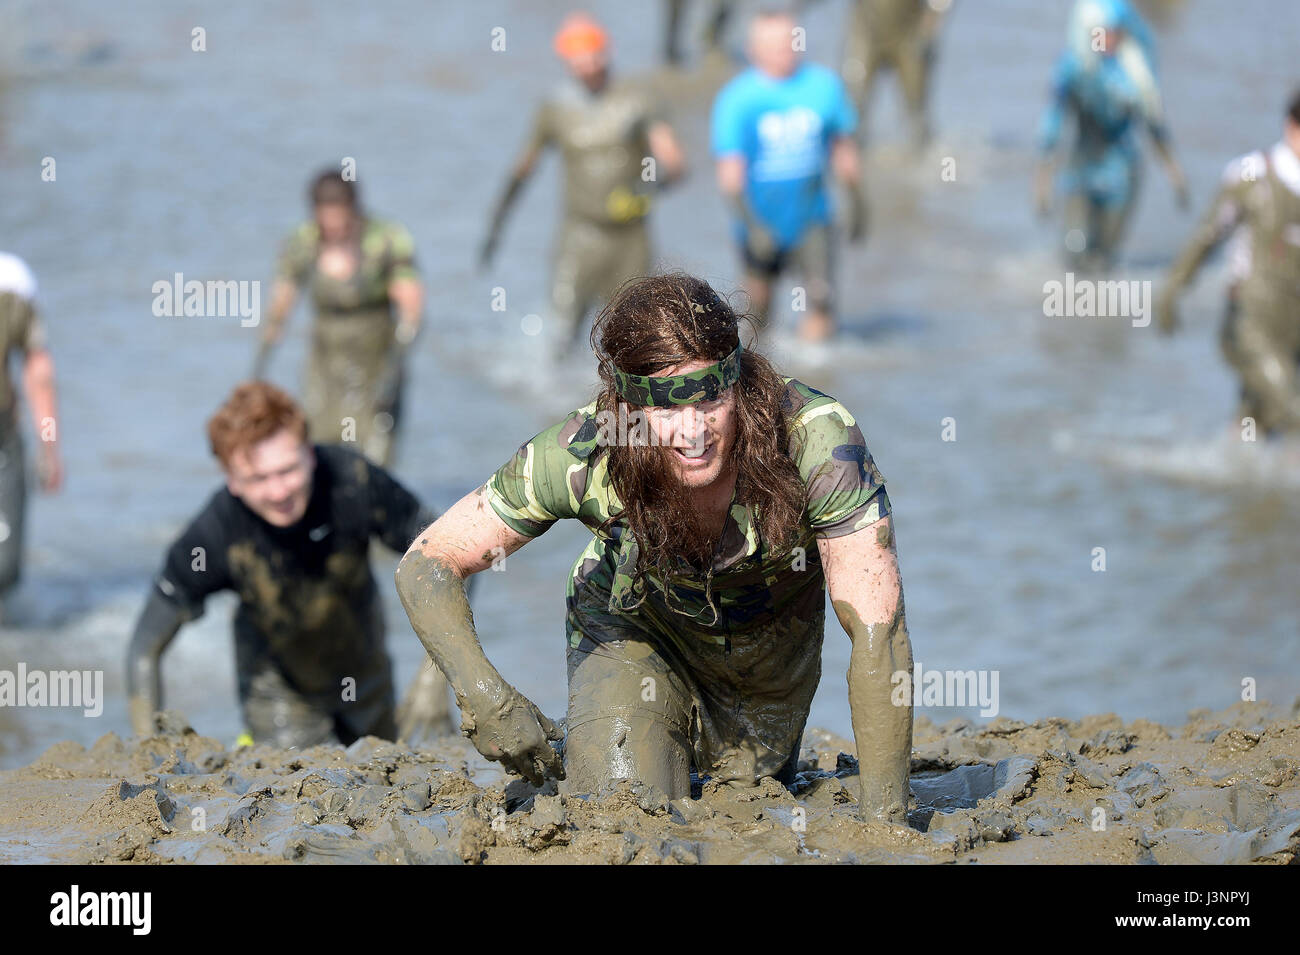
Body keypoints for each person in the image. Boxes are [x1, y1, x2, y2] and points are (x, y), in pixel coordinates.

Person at [395, 274, 912, 823]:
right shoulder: (586, 453)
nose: (693, 432)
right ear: (626, 406)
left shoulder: (818, 442)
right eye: (666, 407)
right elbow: (428, 563)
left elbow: (879, 634)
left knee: (744, 812)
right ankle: (613, 735)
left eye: (709, 396)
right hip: (635, 626)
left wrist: (888, 824)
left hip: (768, 650)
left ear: (737, 382)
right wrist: (486, 698)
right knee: (628, 813)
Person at [126, 381, 447, 747]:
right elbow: (143, 650)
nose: (279, 493)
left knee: (386, 781)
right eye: (258, 478)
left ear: (309, 453)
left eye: (288, 470)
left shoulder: (352, 481)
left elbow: (451, 551)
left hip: (366, 673)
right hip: (278, 691)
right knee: (303, 792)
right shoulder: (214, 534)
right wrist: (147, 750)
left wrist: (433, 680)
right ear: (231, 479)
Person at [479, 12, 687, 357]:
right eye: (577, 58)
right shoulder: (555, 109)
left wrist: (646, 189)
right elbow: (523, 170)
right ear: (565, 60)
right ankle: (559, 404)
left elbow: (675, 163)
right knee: (561, 330)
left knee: (634, 334)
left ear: (607, 51)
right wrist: (495, 227)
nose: (587, 65)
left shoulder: (638, 101)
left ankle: (626, 404)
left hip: (629, 237)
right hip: (578, 234)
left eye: (593, 54)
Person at [711, 9, 866, 343]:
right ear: (754, 50)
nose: (787, 50)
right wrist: (752, 226)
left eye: (791, 41)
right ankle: (756, 376)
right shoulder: (738, 99)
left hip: (812, 217)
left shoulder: (824, 87)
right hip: (760, 217)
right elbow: (729, 174)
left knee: (821, 298)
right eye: (776, 45)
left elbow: (843, 149)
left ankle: (817, 371)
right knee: (756, 309)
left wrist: (857, 202)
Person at [255, 171, 424, 467]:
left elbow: (412, 307)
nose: (334, 226)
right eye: (326, 218)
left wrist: (396, 365)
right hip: (325, 364)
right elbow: (281, 304)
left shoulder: (386, 239)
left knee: (375, 453)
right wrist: (260, 365)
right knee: (318, 451)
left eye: (341, 218)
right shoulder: (303, 242)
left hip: (376, 362)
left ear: (354, 208)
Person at [1156, 91, 1300, 436]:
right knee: (1291, 408)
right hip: (1251, 321)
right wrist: (1172, 288)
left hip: (1294, 327)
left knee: (1256, 418)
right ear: (1291, 126)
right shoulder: (1252, 174)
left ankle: (1240, 476)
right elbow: (1208, 235)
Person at [1035, 0, 1187, 271]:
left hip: (1122, 175)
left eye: (1114, 31)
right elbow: (1052, 126)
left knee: (1103, 261)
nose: (1107, 38)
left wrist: (1175, 175)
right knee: (1074, 252)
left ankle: (1100, 311)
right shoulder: (1072, 69)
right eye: (1101, 31)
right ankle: (1071, 311)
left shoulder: (1136, 75)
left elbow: (1155, 127)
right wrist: (1042, 182)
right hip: (1080, 172)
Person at [0, 252, 63, 614]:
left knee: (5, 568)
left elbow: (40, 377)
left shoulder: (13, 283)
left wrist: (49, 444)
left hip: (3, 437)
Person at [840, 0, 951, 149]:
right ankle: (853, 160)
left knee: (916, 108)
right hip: (866, 34)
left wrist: (931, 23)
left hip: (909, 35)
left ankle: (923, 161)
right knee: (853, 104)